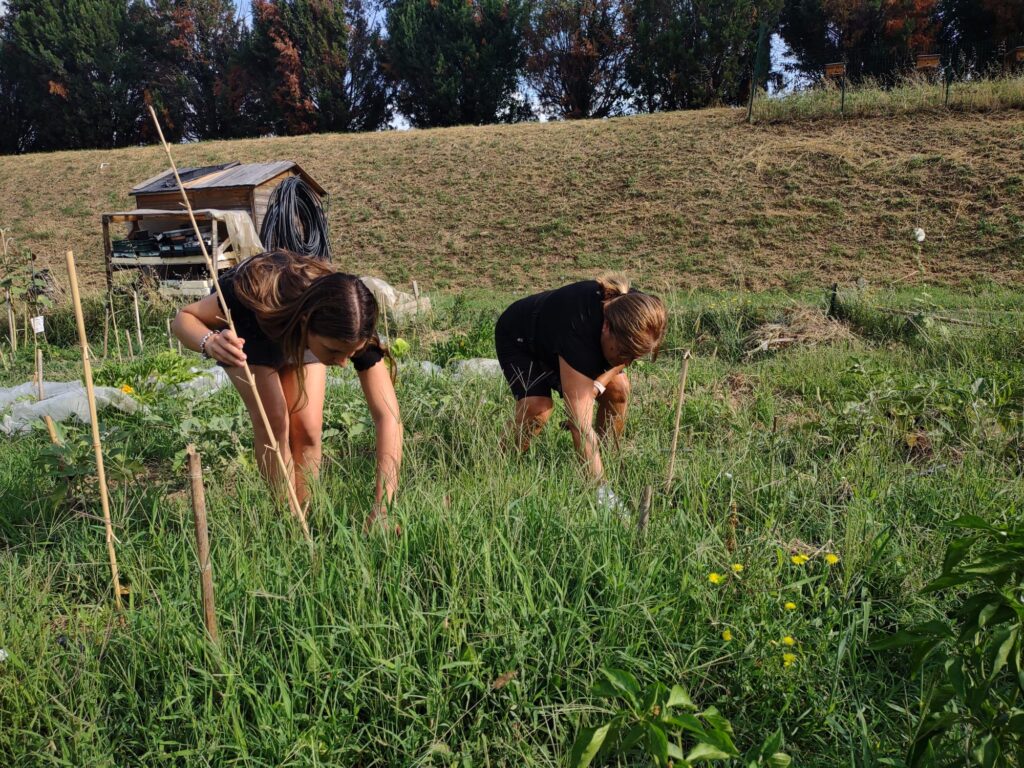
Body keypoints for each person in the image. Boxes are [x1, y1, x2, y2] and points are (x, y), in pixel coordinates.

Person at [172, 250, 402, 530]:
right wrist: (209, 341)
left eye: (350, 353)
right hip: (257, 328)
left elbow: (388, 416)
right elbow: (183, 318)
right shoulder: (247, 298)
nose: (342, 363)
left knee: (307, 428)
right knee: (275, 420)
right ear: (306, 325)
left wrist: (384, 507)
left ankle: (307, 516)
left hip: (302, 329)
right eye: (334, 352)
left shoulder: (350, 322)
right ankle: (288, 521)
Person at [495, 276, 666, 511]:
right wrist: (607, 502)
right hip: (521, 338)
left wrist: (600, 383)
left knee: (618, 391)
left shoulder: (634, 309)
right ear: (606, 327)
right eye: (624, 353)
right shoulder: (578, 330)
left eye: (634, 357)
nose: (628, 362)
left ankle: (609, 461)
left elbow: (624, 359)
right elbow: (580, 425)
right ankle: (499, 465)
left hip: (564, 335)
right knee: (538, 409)